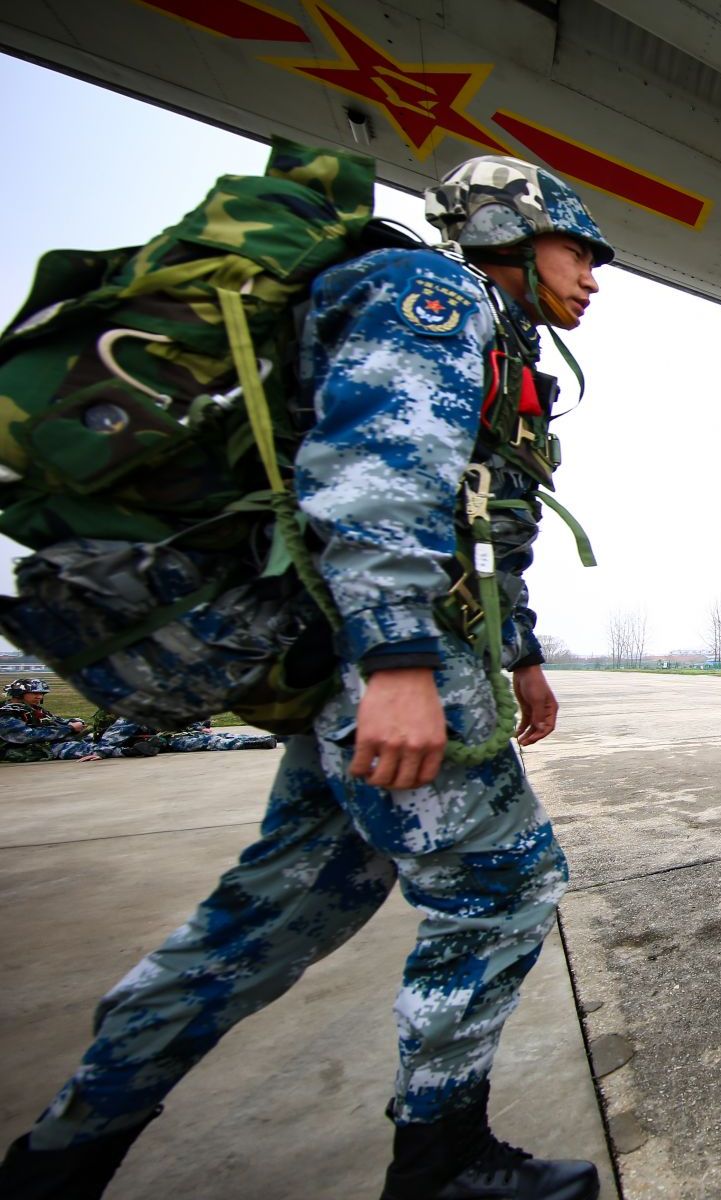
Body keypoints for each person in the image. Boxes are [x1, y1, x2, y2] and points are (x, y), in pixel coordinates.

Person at [0, 155, 610, 1200]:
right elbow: (374, 478)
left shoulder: (502, 345)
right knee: (505, 886)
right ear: (510, 235)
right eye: (578, 251)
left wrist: (523, 654)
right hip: (387, 653)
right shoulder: (431, 298)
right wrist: (400, 665)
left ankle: (58, 1158)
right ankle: (441, 1160)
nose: (594, 276)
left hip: (388, 654)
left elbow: (482, 521)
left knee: (284, 907)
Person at [1, 679, 156, 763]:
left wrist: (74, 722)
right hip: (29, 749)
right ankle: (126, 751)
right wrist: (68, 729)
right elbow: (24, 736)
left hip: (51, 742)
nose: (39, 697)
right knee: (79, 748)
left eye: (41, 694)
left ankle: (128, 747)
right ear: (19, 694)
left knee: (93, 738)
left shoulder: (34, 710)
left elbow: (55, 721)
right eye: (34, 693)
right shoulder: (8, 713)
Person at [95, 714, 278, 753]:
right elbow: (117, 731)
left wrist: (198, 727)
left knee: (214, 736)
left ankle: (268, 738)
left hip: (175, 734)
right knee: (205, 742)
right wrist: (103, 751)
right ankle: (253, 743)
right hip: (157, 740)